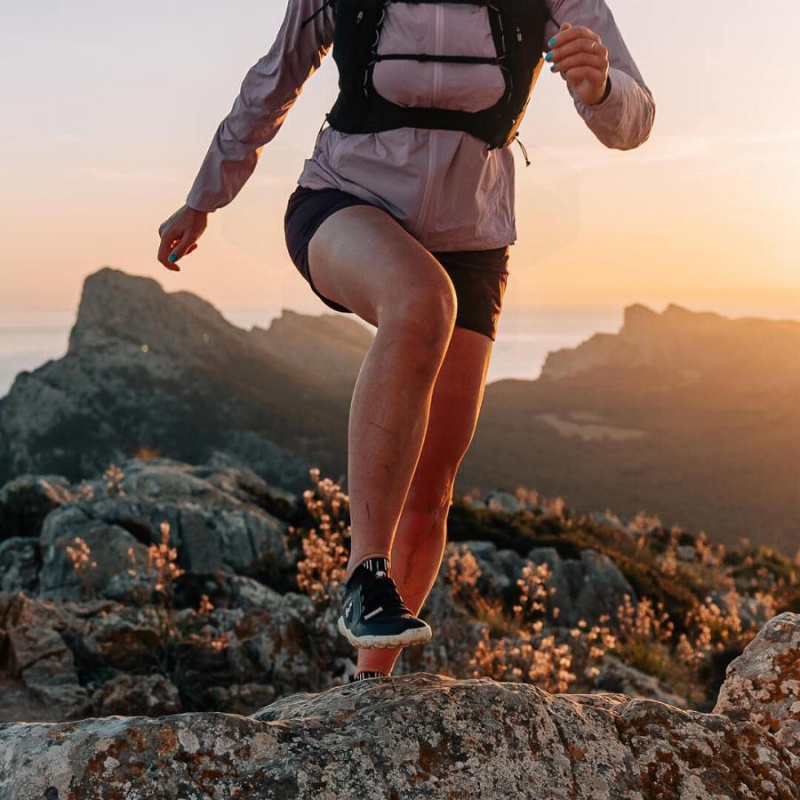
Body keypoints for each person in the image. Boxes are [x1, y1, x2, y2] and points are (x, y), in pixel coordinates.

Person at [157, 0, 655, 683]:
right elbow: (274, 80)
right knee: (421, 302)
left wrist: (600, 89)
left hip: (474, 241)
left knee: (432, 491)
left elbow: (635, 118)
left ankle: (369, 682)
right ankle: (365, 575)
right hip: (342, 205)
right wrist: (203, 197)